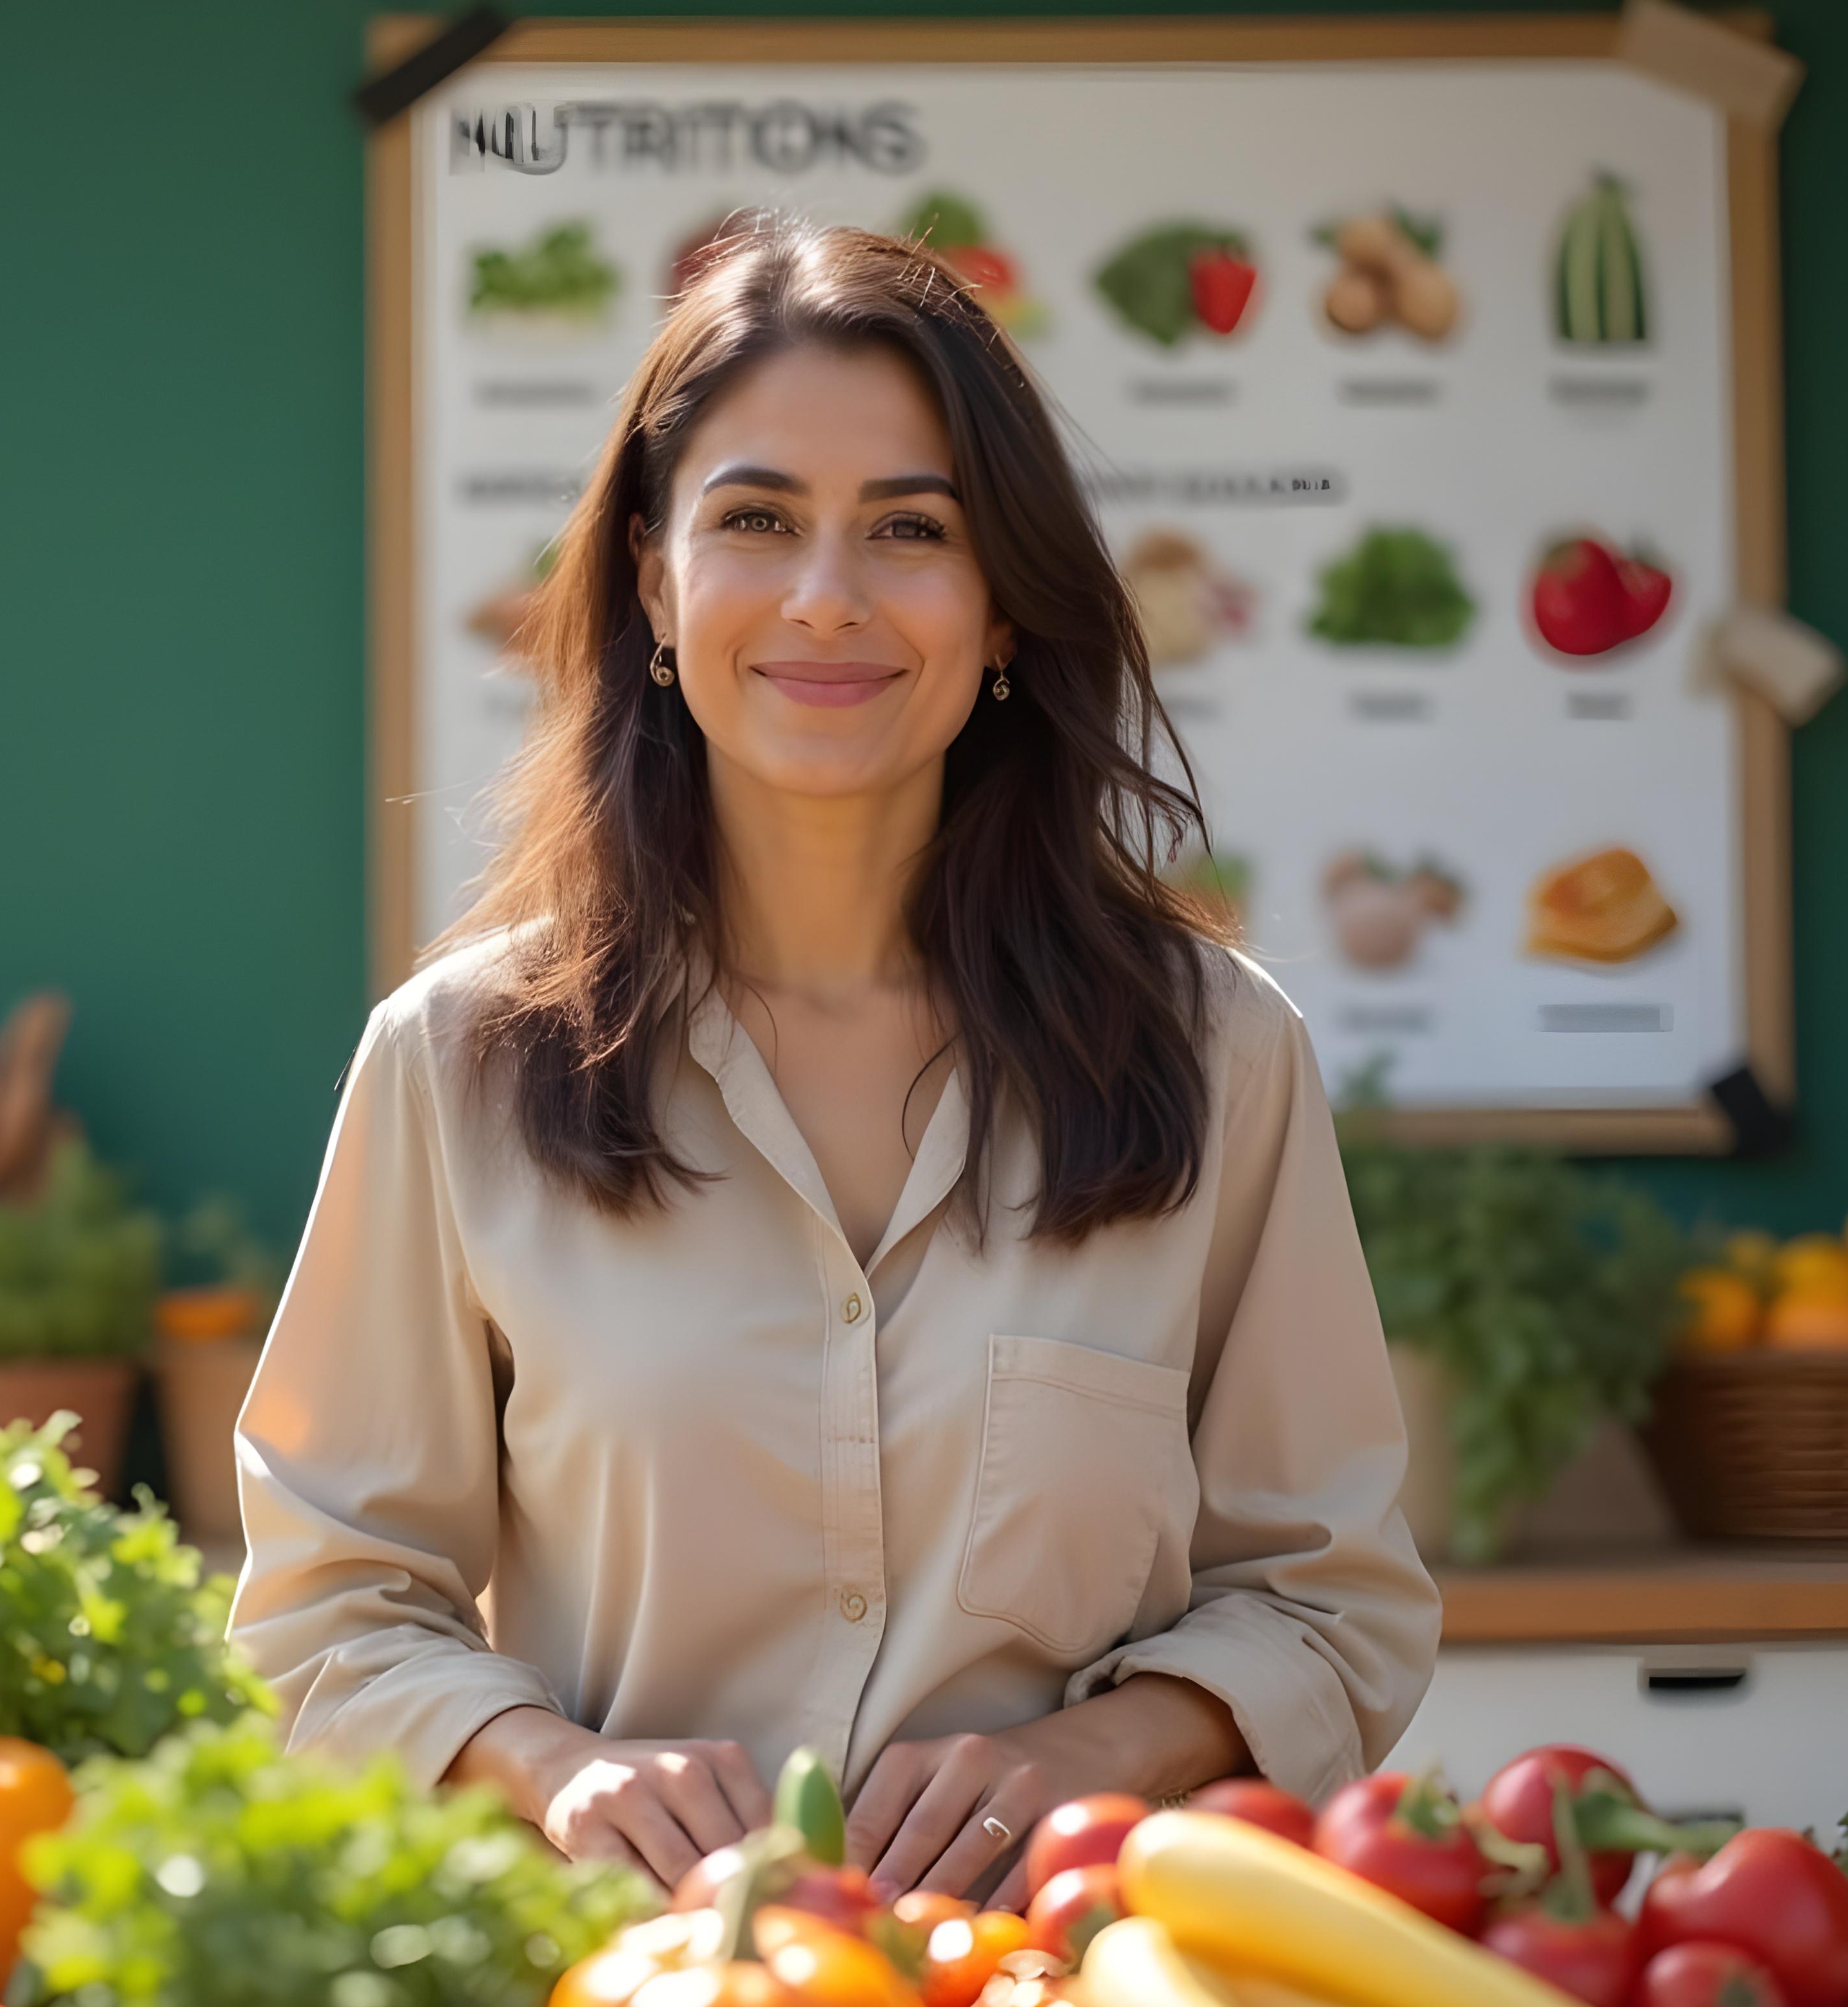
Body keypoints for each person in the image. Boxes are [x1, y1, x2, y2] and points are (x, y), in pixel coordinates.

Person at [229, 220, 1437, 1911]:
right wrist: (552, 1772)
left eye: (910, 530)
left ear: (1005, 604)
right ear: (654, 581)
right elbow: (328, 1607)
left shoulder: (1219, 1052)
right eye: (757, 520)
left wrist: (1101, 1752)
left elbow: (1336, 1598)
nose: (825, 596)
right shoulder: (457, 1070)